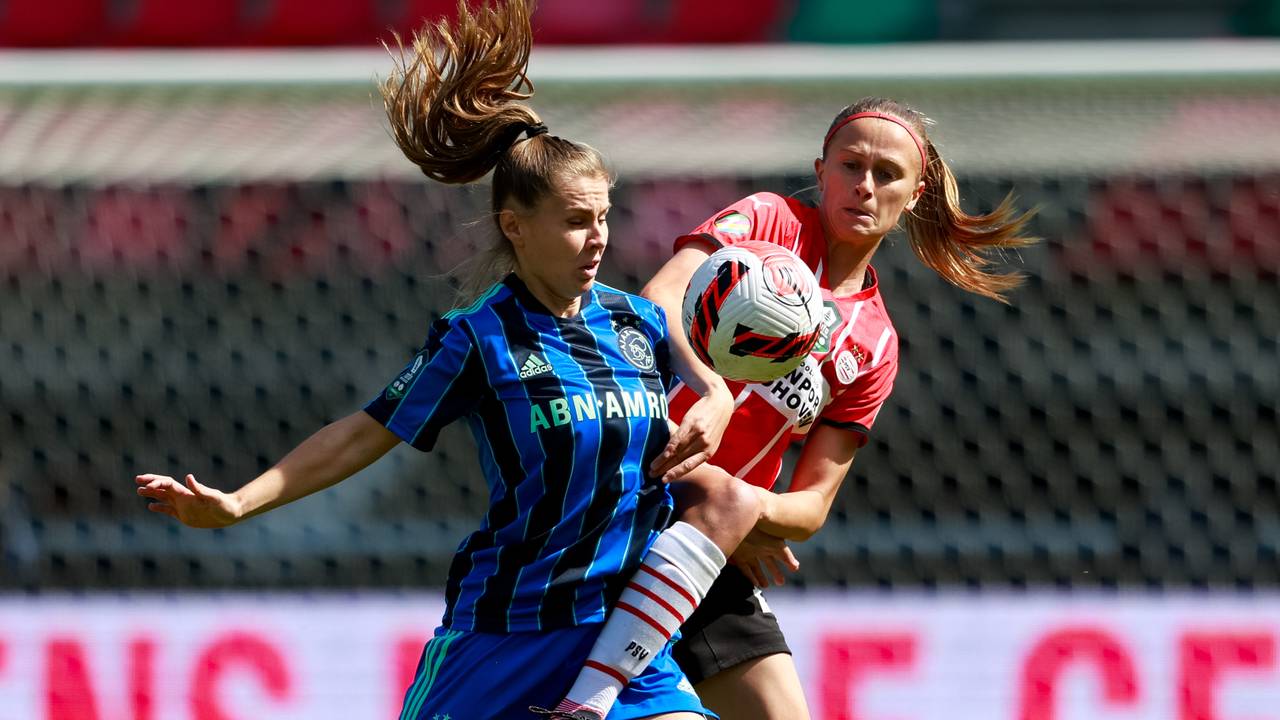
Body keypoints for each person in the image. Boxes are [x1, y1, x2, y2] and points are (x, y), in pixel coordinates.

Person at [134, 1, 761, 718]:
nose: (598, 238)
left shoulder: (637, 322)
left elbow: (705, 397)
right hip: (503, 634)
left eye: (604, 216)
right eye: (575, 221)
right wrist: (239, 503)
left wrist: (718, 401)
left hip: (619, 639)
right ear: (514, 226)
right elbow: (364, 433)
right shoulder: (478, 338)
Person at [551, 97, 1037, 719]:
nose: (864, 186)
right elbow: (659, 298)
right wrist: (713, 393)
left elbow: (811, 507)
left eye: (887, 174)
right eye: (850, 165)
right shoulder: (768, 222)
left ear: (914, 195)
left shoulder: (875, 345)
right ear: (820, 169)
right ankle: (586, 703)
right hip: (625, 484)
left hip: (713, 541)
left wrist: (752, 510)